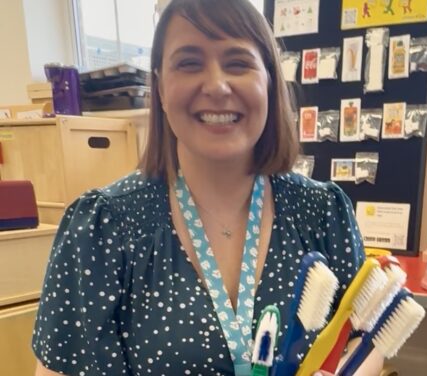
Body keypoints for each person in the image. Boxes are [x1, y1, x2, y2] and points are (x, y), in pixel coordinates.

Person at [32, 0, 383, 375]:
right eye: (189, 62)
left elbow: (367, 334)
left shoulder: (322, 211)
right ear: (161, 89)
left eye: (238, 62)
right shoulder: (102, 228)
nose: (216, 85)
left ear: (268, 80)